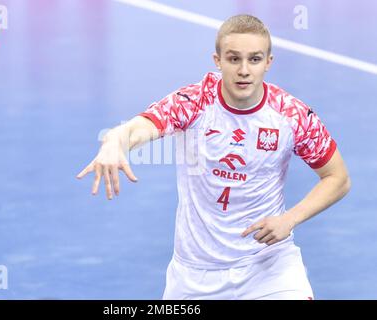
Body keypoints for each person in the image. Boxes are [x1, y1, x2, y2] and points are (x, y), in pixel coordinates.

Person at [77, 14, 351, 300]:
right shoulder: (193, 103)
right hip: (195, 276)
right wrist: (114, 140)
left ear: (268, 62)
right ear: (217, 61)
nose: (244, 70)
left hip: (268, 267)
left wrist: (290, 219)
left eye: (254, 59)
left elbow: (337, 178)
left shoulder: (291, 115)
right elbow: (138, 128)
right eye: (234, 59)